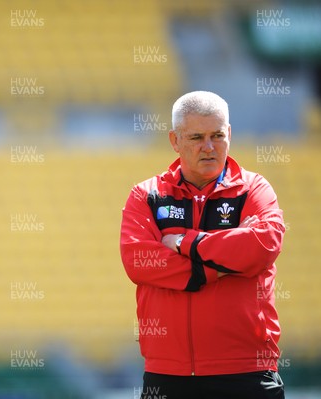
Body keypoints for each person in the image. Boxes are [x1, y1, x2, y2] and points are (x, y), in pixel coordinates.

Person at [120, 91, 285, 399]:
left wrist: (185, 242)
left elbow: (263, 245)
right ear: (174, 140)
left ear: (230, 134)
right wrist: (217, 268)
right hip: (167, 374)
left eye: (217, 135)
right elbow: (138, 260)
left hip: (247, 371)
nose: (209, 147)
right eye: (196, 137)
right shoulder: (147, 194)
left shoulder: (254, 189)